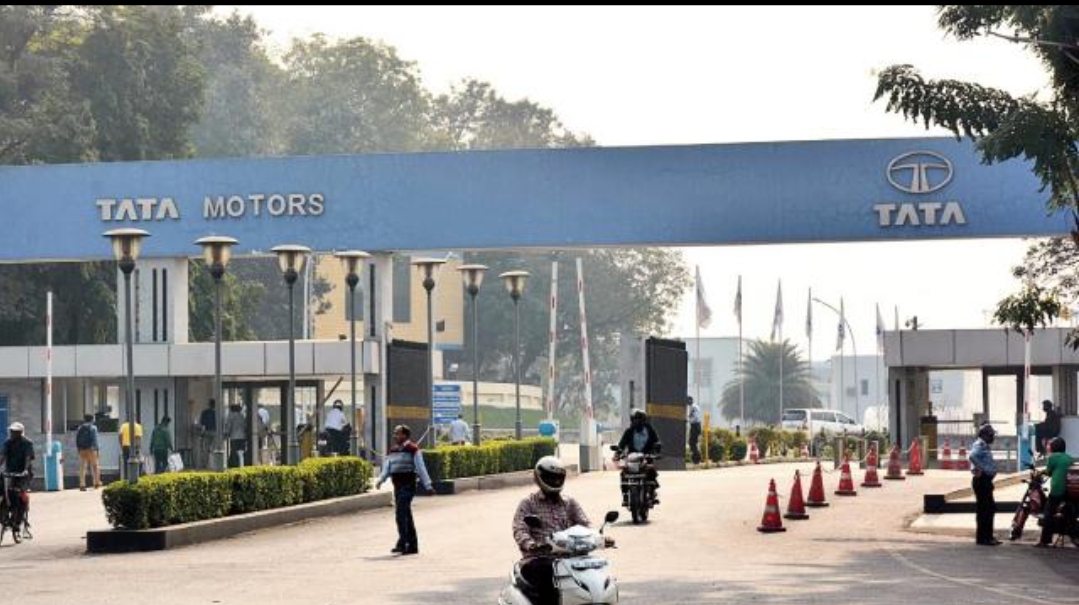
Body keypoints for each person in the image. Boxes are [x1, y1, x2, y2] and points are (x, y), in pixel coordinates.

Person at [512, 456, 613, 605]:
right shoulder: (528, 503)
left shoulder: (569, 503)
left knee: (597, 569)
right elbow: (519, 529)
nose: (555, 481)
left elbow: (585, 524)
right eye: (550, 477)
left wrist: (599, 538)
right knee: (546, 572)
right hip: (539, 558)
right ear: (539, 477)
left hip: (570, 558)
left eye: (558, 477)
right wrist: (531, 544)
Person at [375, 425, 433, 556]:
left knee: (401, 513)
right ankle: (412, 545)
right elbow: (387, 467)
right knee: (406, 514)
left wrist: (428, 485)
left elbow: (421, 467)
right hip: (397, 485)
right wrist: (381, 480)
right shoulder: (393, 450)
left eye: (398, 434)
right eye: (395, 433)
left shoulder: (413, 449)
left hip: (408, 484)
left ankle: (404, 542)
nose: (395, 436)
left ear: (405, 435)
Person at [616, 409, 662, 505]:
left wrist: (657, 449)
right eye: (634, 419)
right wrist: (618, 453)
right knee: (624, 473)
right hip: (632, 458)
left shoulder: (650, 430)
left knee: (651, 471)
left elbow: (656, 441)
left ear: (644, 420)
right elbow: (621, 444)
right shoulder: (629, 431)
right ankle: (625, 495)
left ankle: (652, 492)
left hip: (646, 456)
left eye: (639, 419)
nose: (636, 422)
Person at [1038, 437, 1075, 547]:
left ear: (1054, 447)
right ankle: (1074, 535)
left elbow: (1048, 472)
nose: (1048, 447)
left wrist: (1041, 473)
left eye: (1050, 445)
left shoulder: (1053, 458)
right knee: (1069, 512)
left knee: (1048, 513)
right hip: (1069, 490)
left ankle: (1045, 540)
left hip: (1057, 489)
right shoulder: (1069, 458)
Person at [968, 423, 1001, 546]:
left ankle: (986, 536)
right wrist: (984, 469)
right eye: (991, 435)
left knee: (988, 509)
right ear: (984, 435)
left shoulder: (984, 445)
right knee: (985, 509)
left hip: (985, 481)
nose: (993, 437)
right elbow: (972, 456)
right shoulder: (980, 445)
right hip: (982, 481)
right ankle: (984, 538)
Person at [0, 422, 34, 536]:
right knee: (6, 492)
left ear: (20, 433)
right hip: (10, 472)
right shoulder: (7, 443)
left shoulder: (27, 443)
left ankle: (18, 521)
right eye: (11, 431)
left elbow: (28, 458)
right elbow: (3, 456)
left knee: (20, 494)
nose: (12, 433)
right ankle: (4, 514)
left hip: (23, 474)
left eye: (14, 432)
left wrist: (25, 470)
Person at [75, 414, 102, 491]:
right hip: (91, 449)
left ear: (84, 419)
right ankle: (96, 482)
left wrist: (79, 448)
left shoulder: (80, 428)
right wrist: (97, 449)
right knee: (95, 466)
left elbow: (77, 439)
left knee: (82, 467)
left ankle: (82, 484)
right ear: (92, 420)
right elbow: (94, 439)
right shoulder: (93, 428)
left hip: (82, 449)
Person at [224, 404, 247, 468]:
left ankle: (234, 465)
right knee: (241, 453)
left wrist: (226, 434)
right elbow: (245, 426)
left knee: (234, 452)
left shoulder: (231, 416)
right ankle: (241, 464)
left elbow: (229, 426)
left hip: (234, 437)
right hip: (242, 437)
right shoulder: (242, 416)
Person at [199, 399, 217, 468]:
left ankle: (205, 464)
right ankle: (214, 464)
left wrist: (202, 433)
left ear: (209, 404)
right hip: (215, 432)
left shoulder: (204, 412)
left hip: (206, 432)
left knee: (205, 449)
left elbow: (202, 424)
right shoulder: (217, 413)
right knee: (214, 449)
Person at [687, 395, 703, 464]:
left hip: (695, 426)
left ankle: (697, 458)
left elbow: (695, 417)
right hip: (695, 425)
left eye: (687, 400)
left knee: (692, 442)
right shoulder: (692, 407)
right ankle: (696, 459)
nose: (686, 402)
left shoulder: (694, 407)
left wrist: (688, 420)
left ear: (690, 400)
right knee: (693, 443)